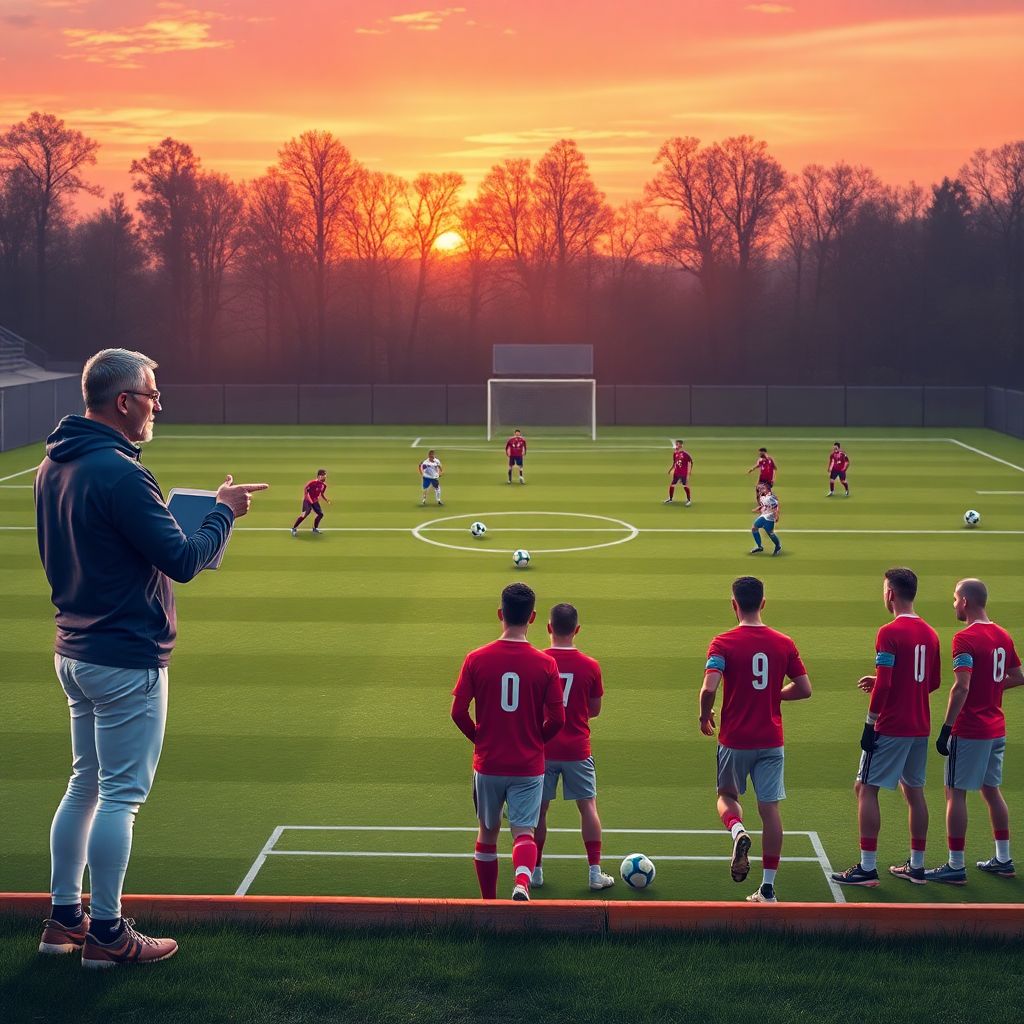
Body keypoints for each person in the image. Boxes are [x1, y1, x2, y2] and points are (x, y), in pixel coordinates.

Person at [34, 348, 268, 968]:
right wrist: (222, 512)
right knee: (121, 795)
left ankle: (62, 923)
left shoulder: (52, 467)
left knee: (84, 783)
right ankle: (107, 936)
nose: (159, 404)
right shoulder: (119, 471)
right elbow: (185, 561)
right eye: (152, 394)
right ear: (124, 402)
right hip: (124, 656)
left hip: (74, 649)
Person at [699, 576, 812, 903]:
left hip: (735, 739)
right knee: (770, 809)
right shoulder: (784, 642)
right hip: (771, 739)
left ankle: (737, 831)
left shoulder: (722, 643)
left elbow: (709, 687)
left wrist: (705, 716)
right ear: (763, 603)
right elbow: (804, 689)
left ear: (734, 604)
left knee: (726, 797)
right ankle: (767, 888)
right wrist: (772, 696)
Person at [450, 583, 565, 901]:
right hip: (528, 765)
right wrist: (535, 742)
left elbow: (458, 711)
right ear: (532, 618)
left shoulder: (476, 659)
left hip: (488, 763)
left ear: (501, 614)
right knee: (524, 831)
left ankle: (489, 903)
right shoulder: (546, 664)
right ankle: (522, 884)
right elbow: (558, 720)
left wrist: (480, 739)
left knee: (487, 833)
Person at [832, 567, 940, 888]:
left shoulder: (889, 632)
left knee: (865, 788)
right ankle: (917, 867)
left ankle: (867, 868)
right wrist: (881, 679)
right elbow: (930, 682)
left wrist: (870, 722)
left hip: (891, 725)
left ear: (890, 593)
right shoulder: (930, 633)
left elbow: (888, 684)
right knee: (915, 792)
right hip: (920, 725)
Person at [927, 578, 1023, 885]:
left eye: (955, 598)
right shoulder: (1002, 635)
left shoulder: (964, 639)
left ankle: (955, 865)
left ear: (965, 602)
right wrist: (991, 688)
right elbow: (1019, 676)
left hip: (970, 730)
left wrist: (946, 728)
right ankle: (1004, 859)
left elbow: (962, 686)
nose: (954, 603)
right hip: (997, 728)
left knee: (955, 792)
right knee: (991, 791)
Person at [532, 603, 615, 892]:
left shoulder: (538, 660)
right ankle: (594, 873)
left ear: (549, 628)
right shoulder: (590, 665)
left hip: (542, 747)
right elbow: (595, 710)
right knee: (588, 808)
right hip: (578, 748)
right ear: (577, 629)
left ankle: (535, 871)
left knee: (538, 812)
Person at [291, 469, 330, 535]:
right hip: (307, 501)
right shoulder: (312, 483)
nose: (325, 477)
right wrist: (310, 501)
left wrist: (326, 500)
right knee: (304, 514)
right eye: (324, 476)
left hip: (315, 501)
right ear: (319, 476)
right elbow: (306, 491)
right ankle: (294, 528)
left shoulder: (324, 485)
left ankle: (315, 528)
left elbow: (322, 494)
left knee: (320, 514)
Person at [751, 482, 782, 556]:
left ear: (768, 489)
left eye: (762, 488)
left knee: (770, 533)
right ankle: (759, 547)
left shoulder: (771, 497)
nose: (761, 490)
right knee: (754, 528)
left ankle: (778, 546)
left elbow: (776, 507)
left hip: (769, 516)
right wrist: (757, 509)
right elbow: (763, 505)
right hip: (764, 515)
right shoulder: (762, 496)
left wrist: (777, 516)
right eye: (760, 489)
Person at [663, 440, 693, 506]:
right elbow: (675, 462)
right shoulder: (675, 453)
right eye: (676, 444)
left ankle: (689, 500)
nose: (676, 445)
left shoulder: (685, 454)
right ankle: (670, 499)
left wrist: (689, 471)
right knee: (672, 485)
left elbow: (691, 462)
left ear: (681, 445)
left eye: (677, 444)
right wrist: (671, 469)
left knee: (685, 486)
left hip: (683, 473)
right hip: (676, 473)